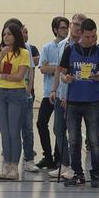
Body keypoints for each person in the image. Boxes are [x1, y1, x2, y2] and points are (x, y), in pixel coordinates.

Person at [58, 18, 99, 188]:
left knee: (94, 140)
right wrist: (67, 78)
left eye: (94, 36)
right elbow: (62, 74)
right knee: (73, 140)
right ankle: (78, 174)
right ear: (80, 34)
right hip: (73, 102)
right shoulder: (69, 50)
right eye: (88, 37)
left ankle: (95, 173)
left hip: (93, 102)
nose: (91, 40)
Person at [0, 20, 32, 182]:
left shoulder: (24, 53)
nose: (6, 37)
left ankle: (14, 165)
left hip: (17, 94)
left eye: (9, 34)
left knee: (15, 132)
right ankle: (6, 164)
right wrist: (1, 54)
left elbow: (19, 76)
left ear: (16, 36)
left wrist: (4, 75)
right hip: (0, 94)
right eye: (4, 34)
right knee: (5, 132)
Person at [34, 15, 71, 171]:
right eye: (62, 27)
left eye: (66, 27)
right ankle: (47, 156)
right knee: (41, 123)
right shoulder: (47, 47)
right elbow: (42, 68)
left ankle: (58, 158)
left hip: (64, 93)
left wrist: (54, 67)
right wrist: (58, 68)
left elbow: (66, 69)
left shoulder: (69, 47)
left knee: (60, 127)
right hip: (49, 92)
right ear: (55, 29)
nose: (65, 30)